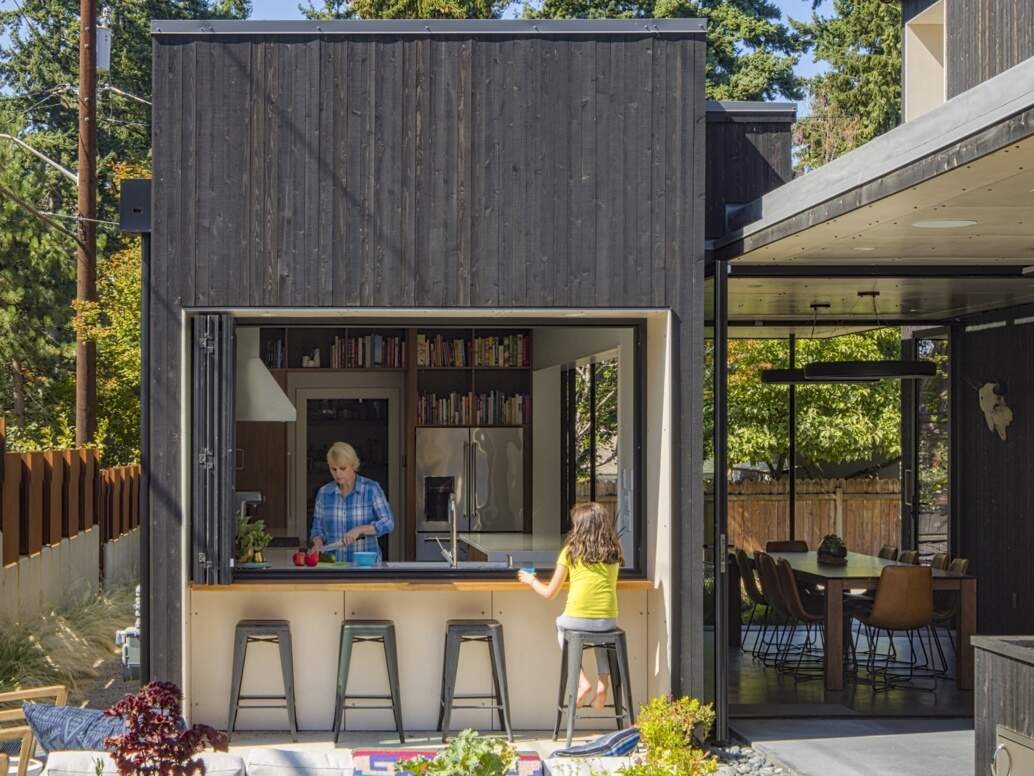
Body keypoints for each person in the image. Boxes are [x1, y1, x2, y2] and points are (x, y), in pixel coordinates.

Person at [518, 501, 623, 710]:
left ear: (580, 527)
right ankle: (603, 685)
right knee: (602, 639)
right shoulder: (614, 552)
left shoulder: (570, 552)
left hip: (576, 619)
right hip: (608, 620)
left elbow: (550, 593)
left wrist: (531, 581)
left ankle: (583, 681)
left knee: (560, 627)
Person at [310, 441, 395, 563]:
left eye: (343, 468)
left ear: (353, 465)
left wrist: (359, 529)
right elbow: (317, 529)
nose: (338, 474)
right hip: (334, 565)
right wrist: (317, 543)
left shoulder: (371, 489)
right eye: (333, 469)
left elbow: (388, 522)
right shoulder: (323, 493)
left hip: (365, 565)